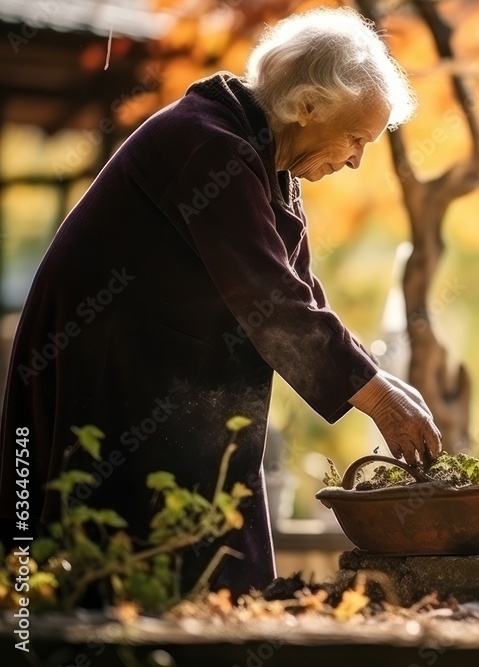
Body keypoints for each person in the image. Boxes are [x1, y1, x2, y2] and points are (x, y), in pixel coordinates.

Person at [0, 7, 441, 597]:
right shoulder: (206, 142)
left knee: (217, 546)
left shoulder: (273, 167)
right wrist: (377, 396)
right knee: (106, 557)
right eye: (356, 137)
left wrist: (376, 378)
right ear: (307, 106)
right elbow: (269, 297)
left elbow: (300, 294)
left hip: (163, 370)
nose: (358, 158)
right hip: (106, 361)